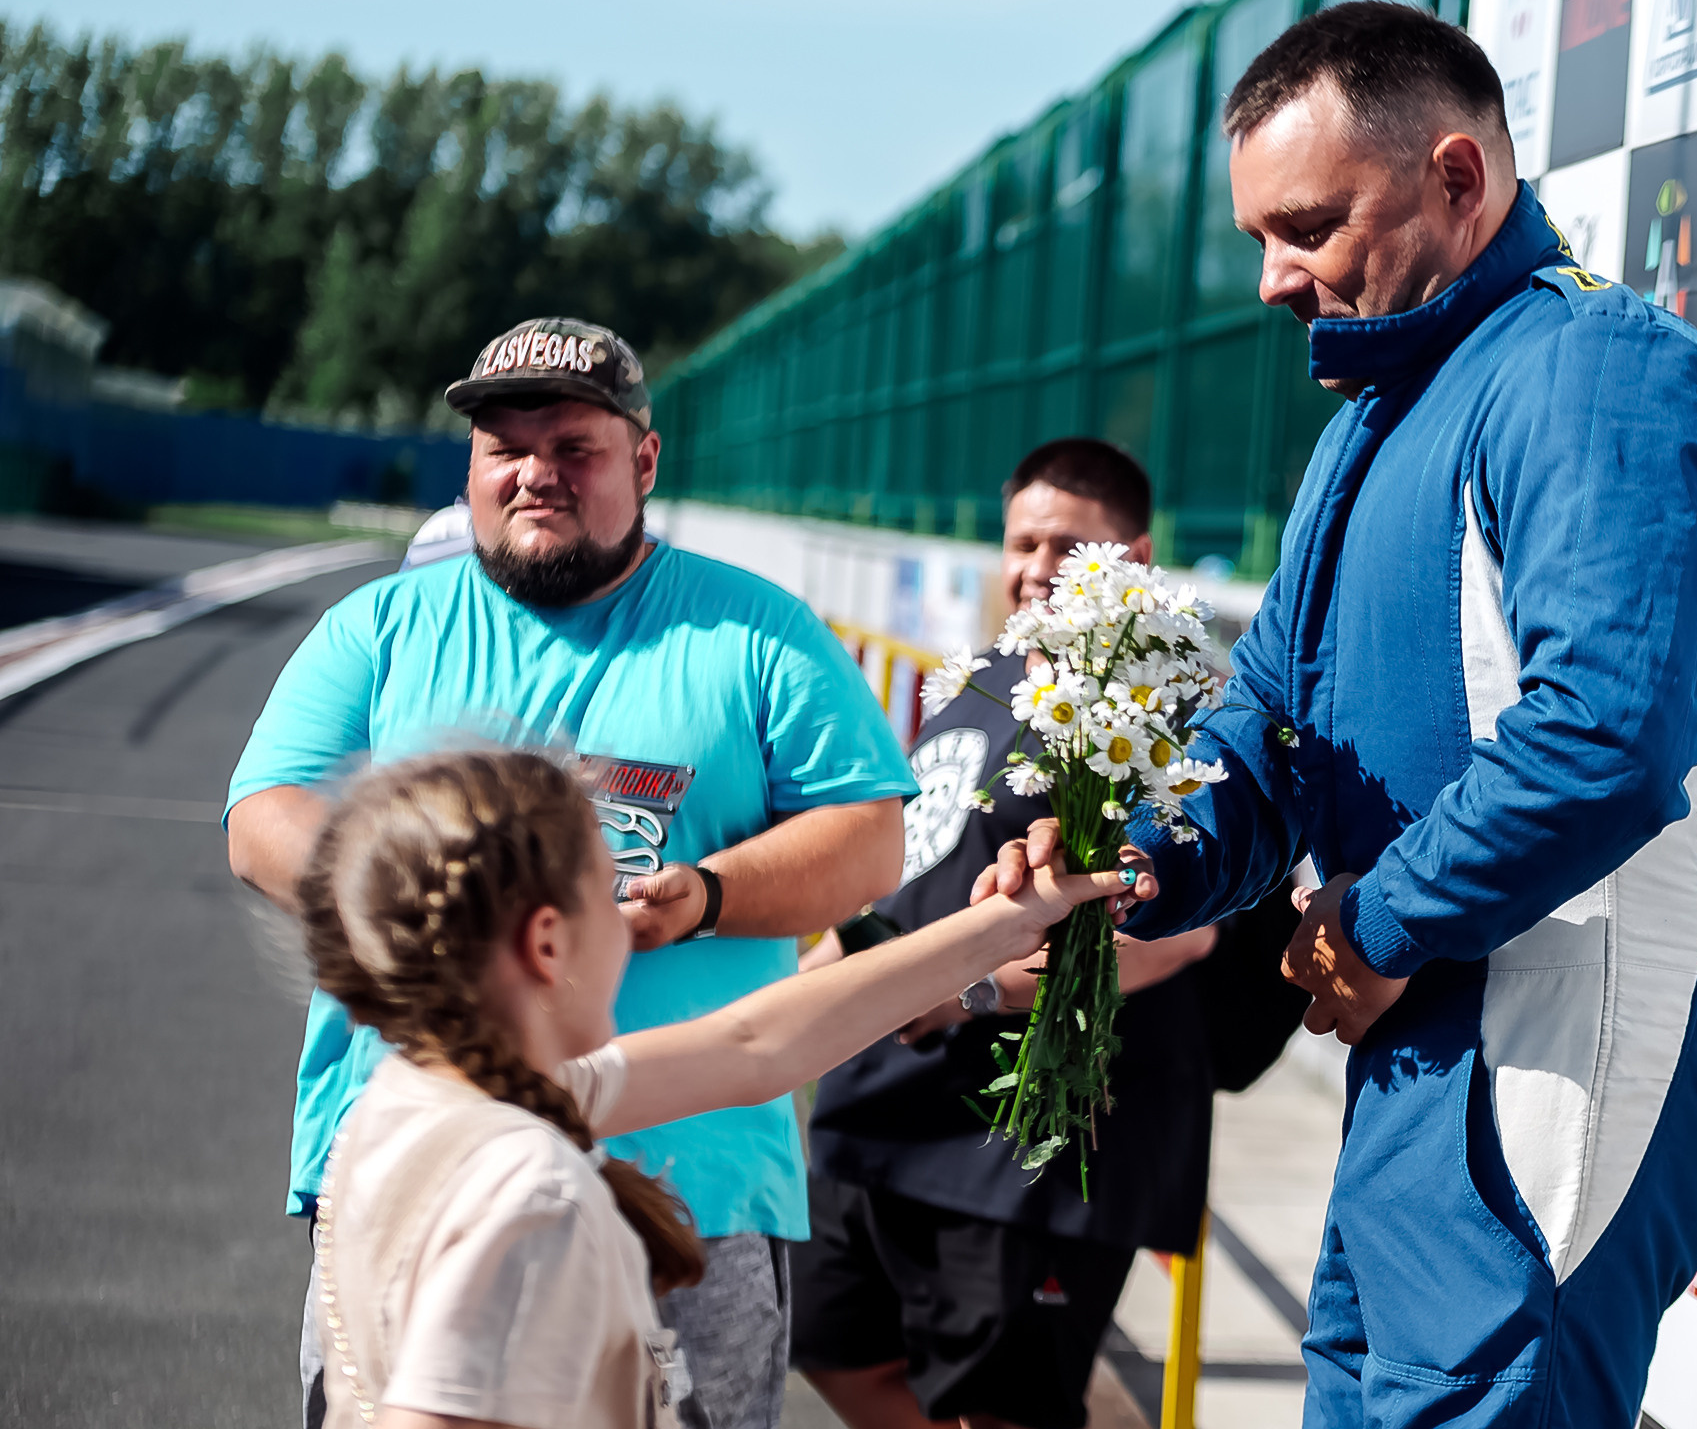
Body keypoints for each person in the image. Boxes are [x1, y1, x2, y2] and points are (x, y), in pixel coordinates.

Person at [993, 5, 1697, 1427]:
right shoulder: (1371, 417)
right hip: (1413, 1047)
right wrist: (1132, 863)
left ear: (1459, 180)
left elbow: (1608, 731)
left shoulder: (1600, 370)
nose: (1272, 279)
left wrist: (1374, 921)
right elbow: (1267, 725)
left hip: (1553, 1047)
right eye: (1257, 238)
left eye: (1306, 227)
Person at [226, 316, 915, 1429]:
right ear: (471, 465)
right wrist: (434, 903)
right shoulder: (382, 627)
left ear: (643, 461)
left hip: (697, 1191)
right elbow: (262, 817)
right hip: (423, 1153)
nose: (536, 473)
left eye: (574, 448)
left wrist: (712, 896)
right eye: (506, 445)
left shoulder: (760, 635)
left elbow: (868, 840)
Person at [300, 750, 1153, 1429]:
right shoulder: (529, 1187)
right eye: (613, 889)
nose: (631, 916)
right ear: (548, 943)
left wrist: (1000, 925)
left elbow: (755, 1044)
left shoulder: (424, 1102)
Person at [790, 438, 1307, 1429]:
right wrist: (803, 992)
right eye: (1021, 541)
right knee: (824, 1337)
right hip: (882, 1117)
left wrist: (966, 993)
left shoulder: (1167, 719)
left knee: (1003, 1406)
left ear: (1134, 558)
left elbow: (1176, 933)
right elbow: (917, 877)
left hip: (1036, 1149)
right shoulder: (981, 682)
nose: (1034, 567)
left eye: (1069, 548)